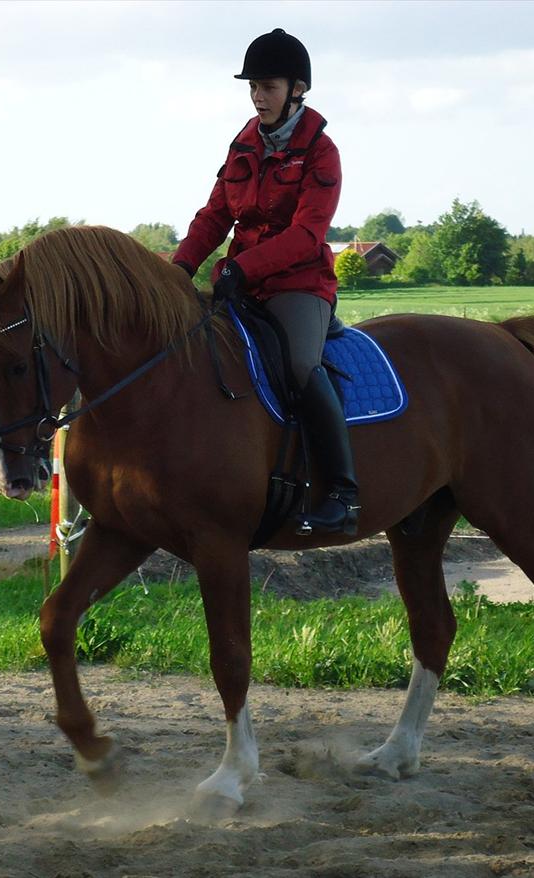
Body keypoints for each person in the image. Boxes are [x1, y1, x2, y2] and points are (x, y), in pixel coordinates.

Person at [171, 27, 358, 536]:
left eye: (268, 85)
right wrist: (178, 269)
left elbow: (307, 234)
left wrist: (243, 268)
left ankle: (343, 496)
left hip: (299, 285)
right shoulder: (243, 145)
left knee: (300, 363)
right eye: (253, 85)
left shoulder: (322, 151)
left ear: (297, 88)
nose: (258, 95)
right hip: (241, 284)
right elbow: (213, 217)